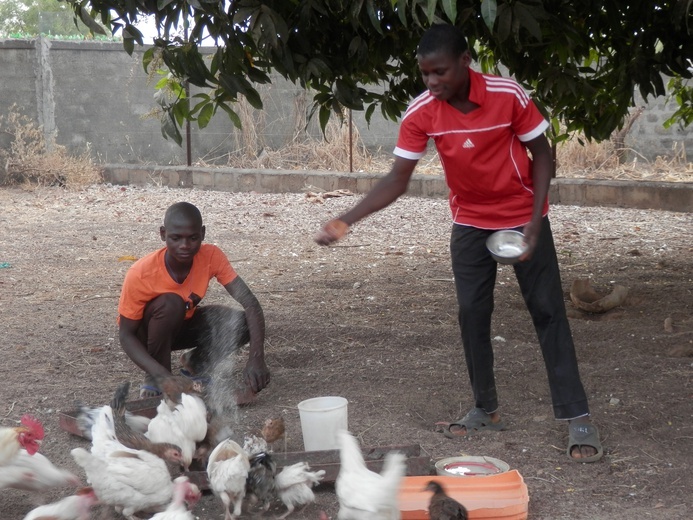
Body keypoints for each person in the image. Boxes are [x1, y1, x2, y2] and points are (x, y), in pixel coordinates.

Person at [315, 24, 603, 462]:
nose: (432, 83)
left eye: (440, 72)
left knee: (548, 312)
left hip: (522, 215)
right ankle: (486, 408)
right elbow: (397, 178)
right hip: (470, 221)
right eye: (425, 74)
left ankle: (576, 414)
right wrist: (345, 220)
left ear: (466, 62)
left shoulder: (508, 95)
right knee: (472, 312)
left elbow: (543, 154)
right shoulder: (422, 112)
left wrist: (533, 221)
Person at [118, 201, 270, 399]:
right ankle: (156, 379)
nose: (185, 246)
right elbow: (126, 335)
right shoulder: (140, 273)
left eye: (193, 238)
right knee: (171, 303)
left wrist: (257, 358)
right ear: (163, 234)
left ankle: (197, 364)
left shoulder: (211, 256)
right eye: (176, 238)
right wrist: (163, 375)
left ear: (203, 234)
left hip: (180, 325)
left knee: (243, 323)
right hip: (147, 334)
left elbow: (250, 303)